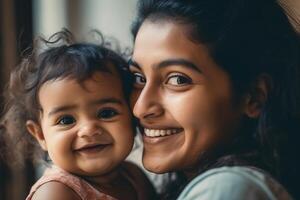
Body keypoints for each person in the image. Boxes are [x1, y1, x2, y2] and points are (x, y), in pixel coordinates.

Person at [129, 0, 300, 199]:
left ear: (253, 97)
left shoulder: (229, 189)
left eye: (178, 79)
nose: (140, 108)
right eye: (139, 78)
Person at [1, 30, 156, 200]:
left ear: (132, 117)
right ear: (40, 135)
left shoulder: (134, 177)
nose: (89, 130)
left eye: (106, 113)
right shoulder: (56, 193)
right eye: (66, 120)